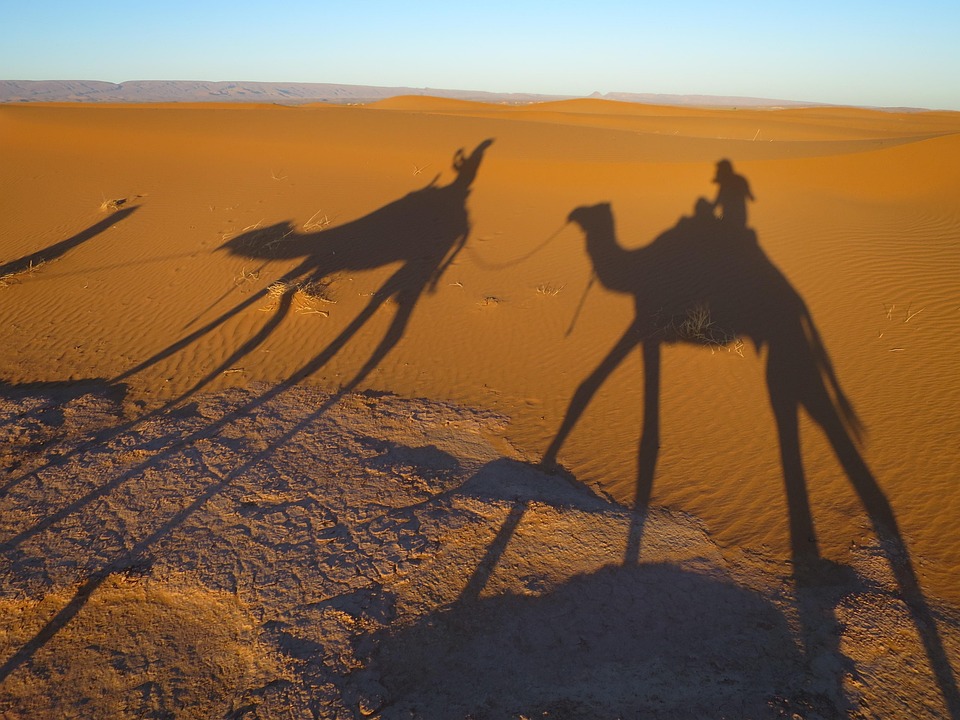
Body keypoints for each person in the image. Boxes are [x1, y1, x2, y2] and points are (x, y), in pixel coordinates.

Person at [712, 159, 754, 228]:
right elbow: (751, 197)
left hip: (728, 220)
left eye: (718, 169)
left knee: (716, 220)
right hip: (742, 219)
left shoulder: (725, 184)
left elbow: (717, 202)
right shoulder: (741, 179)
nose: (716, 171)